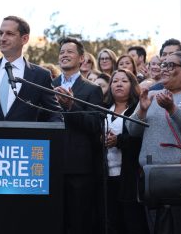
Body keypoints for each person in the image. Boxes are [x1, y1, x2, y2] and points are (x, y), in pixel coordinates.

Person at [127, 51, 181, 234]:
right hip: (152, 177)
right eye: (163, 65)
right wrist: (141, 112)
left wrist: (172, 108)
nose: (164, 69)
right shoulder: (152, 94)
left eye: (170, 65)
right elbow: (132, 131)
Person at [52, 37, 104, 234]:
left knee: (78, 222)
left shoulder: (92, 90)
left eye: (69, 52)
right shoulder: (47, 86)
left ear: (82, 58)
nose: (64, 55)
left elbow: (95, 124)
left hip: (79, 168)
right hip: (51, 164)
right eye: (62, 52)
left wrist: (70, 106)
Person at [104, 69, 149, 234]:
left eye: (124, 81)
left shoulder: (137, 109)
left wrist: (119, 140)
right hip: (106, 176)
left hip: (129, 176)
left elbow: (141, 138)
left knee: (132, 221)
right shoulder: (103, 109)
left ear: (132, 85)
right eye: (115, 81)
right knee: (111, 222)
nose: (119, 84)